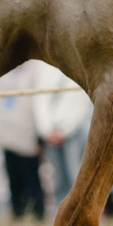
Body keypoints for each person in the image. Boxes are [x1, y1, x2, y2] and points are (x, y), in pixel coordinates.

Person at [0, 61, 46, 220]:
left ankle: (38, 216)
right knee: (14, 182)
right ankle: (17, 215)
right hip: (6, 137)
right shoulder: (3, 75)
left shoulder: (34, 70)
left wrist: (39, 138)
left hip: (28, 138)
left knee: (32, 181)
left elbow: (39, 106)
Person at [31, 61, 91, 213]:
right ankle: (61, 216)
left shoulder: (79, 66)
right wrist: (47, 130)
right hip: (50, 134)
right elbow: (39, 100)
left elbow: (80, 104)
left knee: (75, 176)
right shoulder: (44, 66)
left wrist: (65, 130)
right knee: (56, 179)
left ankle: (79, 215)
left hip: (72, 133)